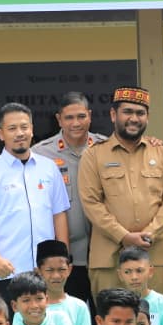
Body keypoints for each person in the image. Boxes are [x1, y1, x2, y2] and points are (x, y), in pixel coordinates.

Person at [78, 86, 163, 297]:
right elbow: (91, 203)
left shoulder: (162, 153)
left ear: (147, 117)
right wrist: (123, 236)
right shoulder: (94, 155)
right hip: (109, 258)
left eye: (140, 113)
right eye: (127, 112)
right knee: (112, 315)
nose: (134, 118)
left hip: (155, 256)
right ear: (113, 115)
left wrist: (150, 234)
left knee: (154, 315)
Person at [0, 102, 70, 300]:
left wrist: (62, 259)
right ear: (1, 134)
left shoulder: (49, 168)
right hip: (6, 270)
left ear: (32, 129)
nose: (19, 133)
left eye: (24, 127)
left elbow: (59, 216)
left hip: (46, 271)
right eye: (12, 128)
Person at [32, 92, 109, 306]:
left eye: (81, 116)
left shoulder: (107, 148)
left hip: (104, 253)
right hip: (65, 256)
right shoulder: (41, 153)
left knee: (103, 314)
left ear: (90, 116)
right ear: (59, 119)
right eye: (69, 118)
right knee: (69, 313)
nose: (76, 123)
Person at [37, 239, 92, 325]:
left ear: (69, 269)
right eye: (49, 270)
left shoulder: (79, 307)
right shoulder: (30, 307)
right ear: (39, 271)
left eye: (61, 269)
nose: (56, 276)